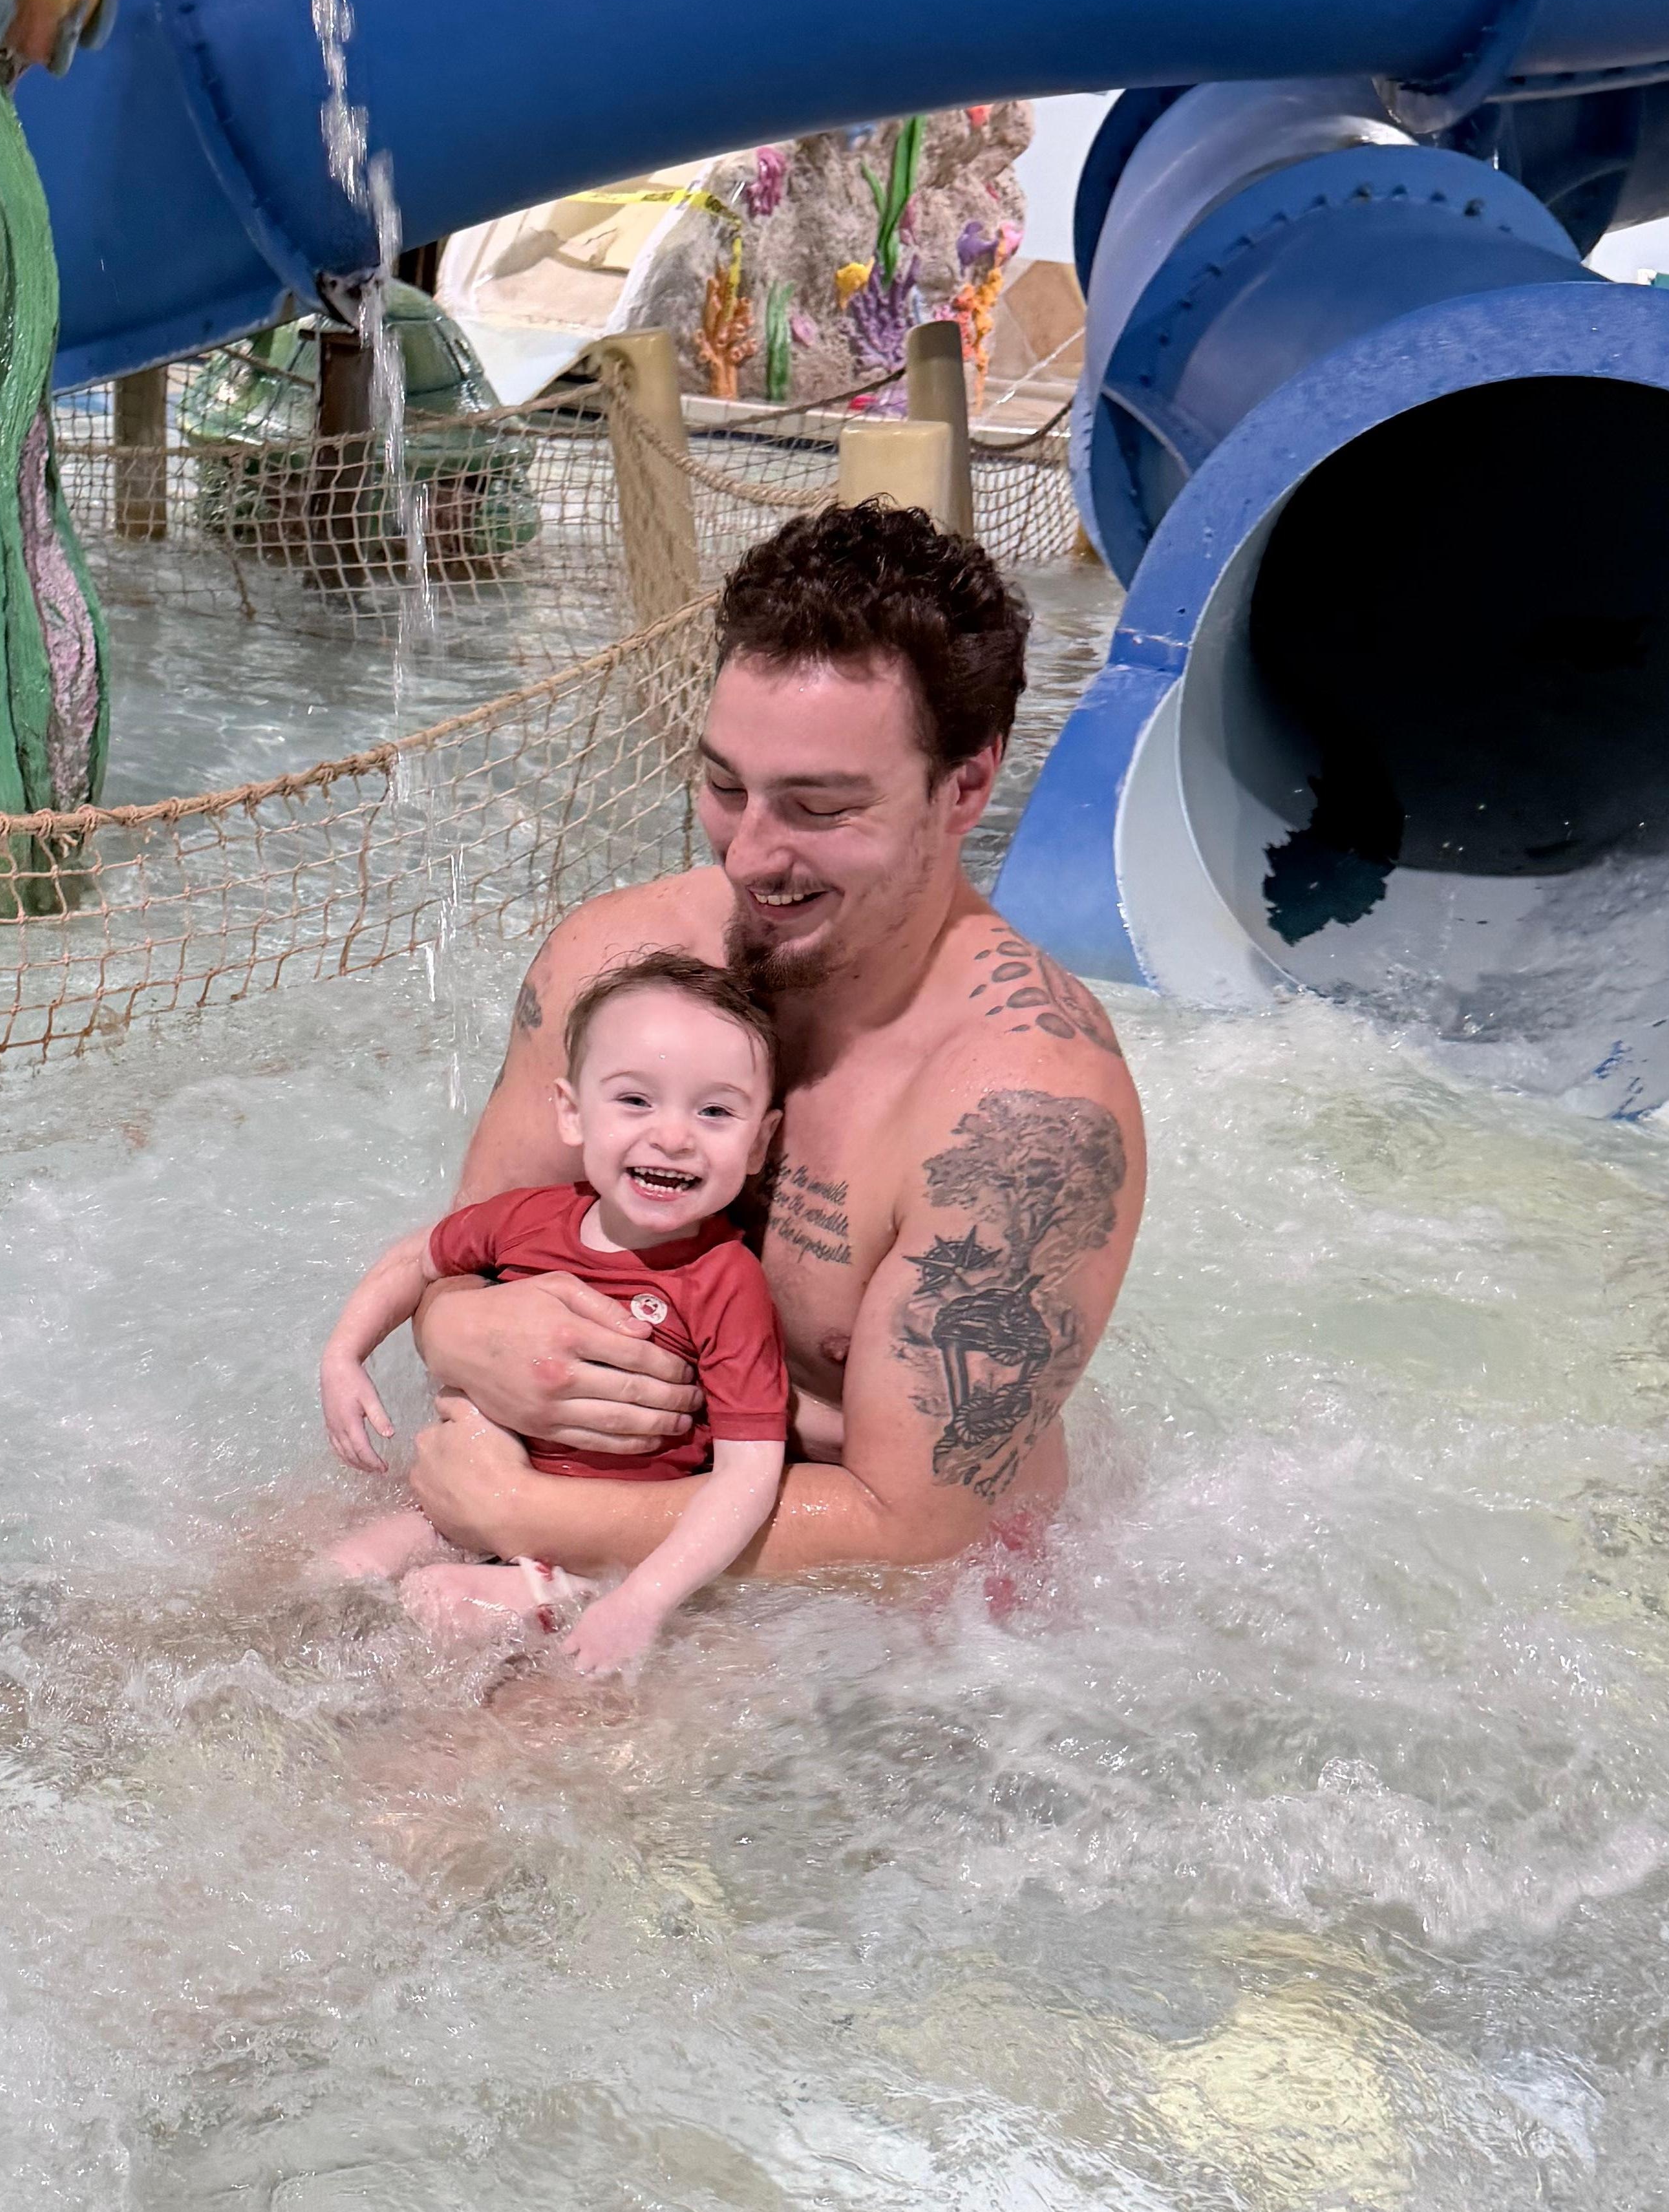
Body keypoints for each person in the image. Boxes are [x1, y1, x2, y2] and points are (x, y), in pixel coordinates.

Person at [398, 495, 1146, 1586]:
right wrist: (456, 1331)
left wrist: (532, 1513)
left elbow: (912, 1528)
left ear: (966, 786)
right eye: (723, 786)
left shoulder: (1025, 1109)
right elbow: (464, 1254)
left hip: (869, 1600)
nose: (748, 854)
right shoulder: (614, 963)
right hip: (593, 1492)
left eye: (818, 807)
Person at [319, 955, 792, 1676]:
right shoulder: (530, 1219)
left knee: (438, 1603)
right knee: (334, 1576)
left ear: (758, 1142)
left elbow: (748, 1476)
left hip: (600, 1553)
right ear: (572, 1113)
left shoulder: (725, 1282)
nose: (673, 1136)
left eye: (715, 1112)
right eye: (635, 1100)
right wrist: (343, 1355)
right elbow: (418, 1258)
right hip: (469, 1510)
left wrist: (643, 1601)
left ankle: (566, 1602)